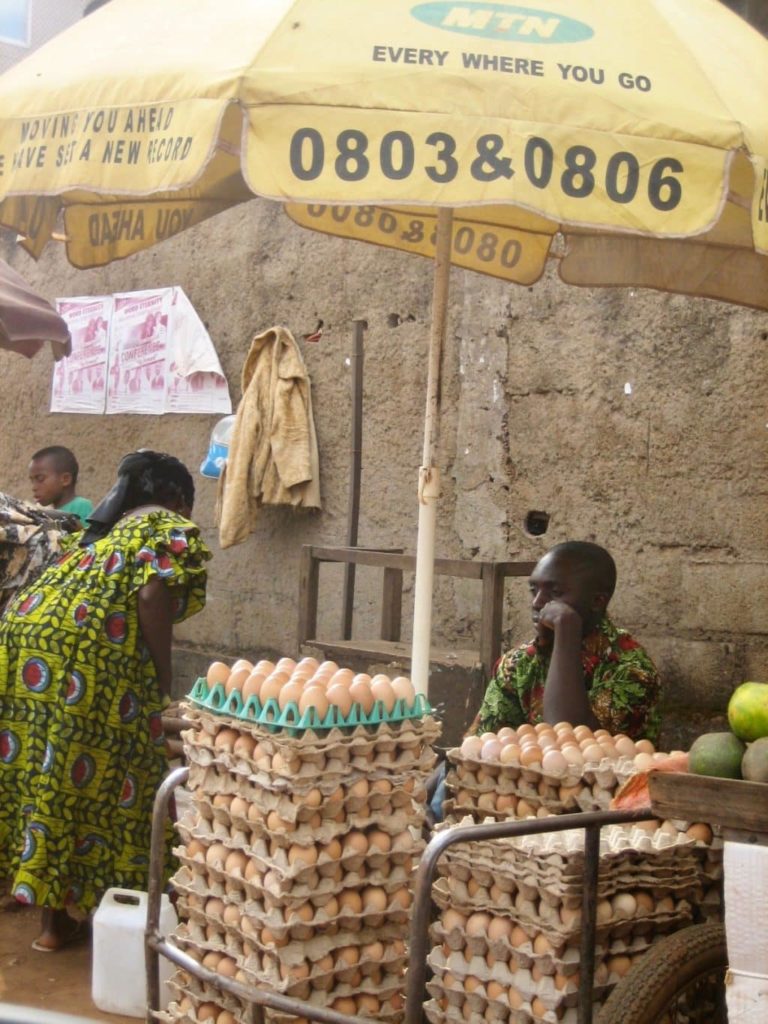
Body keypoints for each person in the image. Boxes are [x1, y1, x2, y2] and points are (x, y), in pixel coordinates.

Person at [0, 450, 211, 951]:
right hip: (90, 659)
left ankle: (54, 926)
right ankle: (123, 909)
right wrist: (163, 674)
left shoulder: (98, 537)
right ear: (176, 498)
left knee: (52, 776)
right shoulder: (162, 525)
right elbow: (150, 596)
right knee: (126, 781)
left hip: (26, 649)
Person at [475, 541, 660, 741]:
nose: (537, 602)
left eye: (555, 593)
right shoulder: (518, 663)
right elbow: (484, 747)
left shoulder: (631, 670)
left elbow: (569, 742)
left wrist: (567, 629)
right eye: (533, 590)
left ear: (598, 601)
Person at [28, 446, 93, 528]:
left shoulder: (81, 505)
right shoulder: (45, 511)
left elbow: (86, 538)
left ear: (65, 479)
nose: (34, 487)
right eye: (32, 481)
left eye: (40, 479)